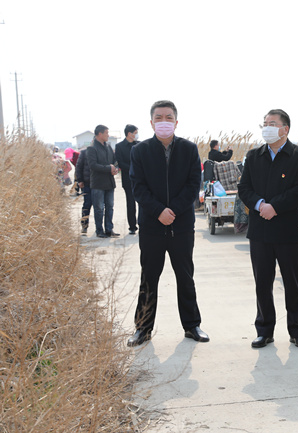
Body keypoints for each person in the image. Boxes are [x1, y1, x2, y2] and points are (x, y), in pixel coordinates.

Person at [127, 100, 208, 346]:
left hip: (181, 225)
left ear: (176, 121)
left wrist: (173, 210)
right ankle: (142, 328)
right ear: (152, 123)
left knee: (185, 276)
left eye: (168, 117)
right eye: (159, 118)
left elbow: (193, 185)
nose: (164, 122)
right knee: (149, 277)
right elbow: (138, 187)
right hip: (152, 226)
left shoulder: (188, 149)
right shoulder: (140, 151)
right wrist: (159, 211)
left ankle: (192, 325)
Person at [238, 109, 298, 349]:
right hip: (260, 231)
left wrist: (275, 207)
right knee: (262, 283)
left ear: (285, 129)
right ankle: (264, 330)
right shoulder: (254, 156)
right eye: (265, 123)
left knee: (293, 284)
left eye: (272, 123)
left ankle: (296, 330)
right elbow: (244, 188)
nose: (267, 127)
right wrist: (260, 205)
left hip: (288, 231)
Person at [86, 125, 119, 238]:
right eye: (106, 133)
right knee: (99, 208)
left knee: (110, 207)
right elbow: (93, 165)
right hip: (98, 183)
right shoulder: (91, 148)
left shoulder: (108, 147)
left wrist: (115, 169)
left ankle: (109, 229)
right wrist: (109, 168)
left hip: (109, 182)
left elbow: (115, 161)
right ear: (100, 134)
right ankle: (99, 231)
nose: (108, 135)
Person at [115, 124, 140, 234]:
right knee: (130, 203)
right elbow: (120, 163)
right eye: (135, 133)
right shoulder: (119, 146)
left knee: (143, 202)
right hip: (128, 179)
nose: (137, 135)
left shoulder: (139, 145)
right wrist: (133, 169)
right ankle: (132, 227)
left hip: (141, 179)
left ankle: (142, 223)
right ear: (129, 134)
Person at [75, 147, 93, 234]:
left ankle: (100, 228)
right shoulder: (84, 152)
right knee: (87, 204)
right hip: (87, 183)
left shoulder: (102, 151)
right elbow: (78, 167)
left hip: (99, 184)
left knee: (100, 207)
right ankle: (84, 225)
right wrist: (80, 180)